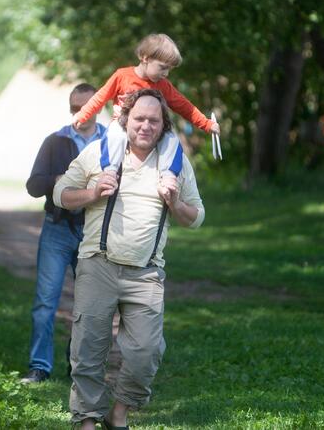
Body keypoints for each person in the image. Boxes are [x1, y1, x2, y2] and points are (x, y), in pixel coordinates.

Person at [54, 89, 205, 429]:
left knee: (146, 352)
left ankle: (117, 413)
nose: (146, 126)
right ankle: (87, 420)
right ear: (126, 119)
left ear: (164, 125)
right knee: (88, 349)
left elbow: (196, 217)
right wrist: (93, 193)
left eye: (154, 120)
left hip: (147, 272)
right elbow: (60, 193)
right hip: (98, 263)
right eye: (139, 119)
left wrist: (175, 202)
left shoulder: (174, 164)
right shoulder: (99, 153)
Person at [21, 83, 106, 384]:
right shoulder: (55, 141)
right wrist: (59, 180)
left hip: (95, 232)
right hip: (57, 228)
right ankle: (39, 367)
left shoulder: (112, 142)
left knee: (88, 305)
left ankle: (78, 367)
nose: (78, 113)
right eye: (73, 107)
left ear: (98, 107)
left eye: (85, 107)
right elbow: (33, 185)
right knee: (46, 301)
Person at [72, 33, 219, 193]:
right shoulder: (122, 76)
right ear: (145, 58)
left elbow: (185, 106)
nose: (166, 74)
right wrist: (83, 114)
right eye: (163, 68)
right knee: (114, 134)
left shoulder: (163, 85)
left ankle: (167, 177)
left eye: (169, 70)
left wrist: (207, 124)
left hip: (152, 130)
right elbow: (100, 97)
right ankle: (110, 172)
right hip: (123, 125)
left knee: (171, 139)